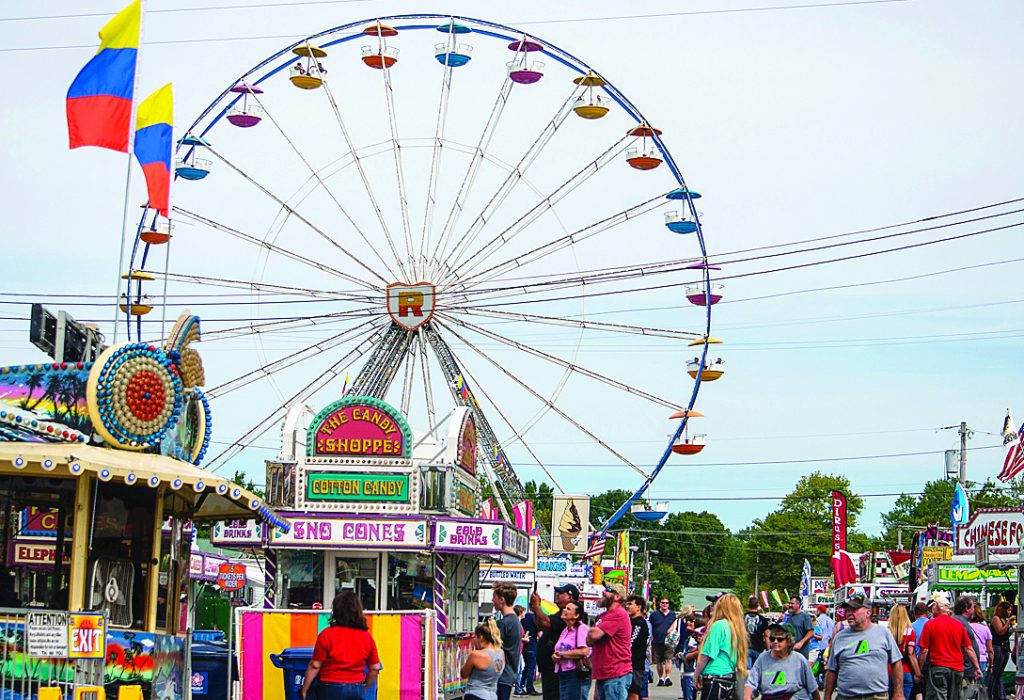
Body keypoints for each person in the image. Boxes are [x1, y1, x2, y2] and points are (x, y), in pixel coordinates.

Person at [301, 590, 381, 700]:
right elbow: (375, 668)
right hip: (355, 688)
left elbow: (315, 665)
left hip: (330, 688)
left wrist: (304, 690)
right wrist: (364, 687)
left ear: (336, 611)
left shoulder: (326, 634)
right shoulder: (366, 637)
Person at [823, 592, 904, 700]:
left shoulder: (883, 633)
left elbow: (896, 663)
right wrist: (827, 696)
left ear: (868, 612)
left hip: (877, 696)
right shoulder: (839, 638)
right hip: (847, 697)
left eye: (854, 609)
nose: (849, 613)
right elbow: (831, 670)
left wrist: (898, 693)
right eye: (847, 610)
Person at [918, 592, 981, 700]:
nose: (931, 610)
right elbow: (968, 648)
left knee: (938, 696)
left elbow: (924, 651)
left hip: (938, 667)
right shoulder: (958, 625)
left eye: (933, 607)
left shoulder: (930, 624)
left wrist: (919, 670)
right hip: (957, 669)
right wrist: (977, 667)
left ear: (937, 608)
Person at [744, 622, 821, 700]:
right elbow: (751, 683)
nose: (775, 642)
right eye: (772, 639)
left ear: (789, 641)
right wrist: (747, 697)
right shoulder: (762, 658)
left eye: (780, 639)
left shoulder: (799, 659)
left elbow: (813, 688)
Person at [534, 584, 586, 700]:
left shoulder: (573, 623)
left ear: (570, 598)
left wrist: (537, 605)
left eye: (562, 593)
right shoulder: (563, 621)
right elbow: (540, 624)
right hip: (552, 667)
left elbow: (545, 622)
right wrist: (535, 607)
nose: (557, 594)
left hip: (563, 670)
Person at [694, 593, 748, 700]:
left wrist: (696, 675)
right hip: (729, 678)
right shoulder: (737, 628)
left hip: (714, 677)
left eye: (715, 603)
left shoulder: (718, 625)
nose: (712, 605)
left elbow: (707, 654)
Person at [587, 582, 633, 700]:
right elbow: (589, 640)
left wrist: (593, 633)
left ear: (617, 597)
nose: (603, 592)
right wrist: (593, 633)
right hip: (603, 673)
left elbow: (593, 634)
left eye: (608, 590)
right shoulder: (602, 616)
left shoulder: (618, 614)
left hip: (616, 674)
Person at [552, 600, 591, 700]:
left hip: (575, 673)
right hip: (562, 672)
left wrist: (562, 654)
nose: (564, 610)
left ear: (576, 615)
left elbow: (584, 651)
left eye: (568, 609)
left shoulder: (581, 628)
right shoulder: (565, 630)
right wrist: (555, 656)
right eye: (565, 608)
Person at [464, 619, 508, 700]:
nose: (473, 640)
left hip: (475, 694)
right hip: (492, 695)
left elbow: (463, 674)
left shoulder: (476, 654)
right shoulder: (501, 653)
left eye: (475, 637)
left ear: (480, 637)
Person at [494, 583, 524, 700]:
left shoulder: (503, 624)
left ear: (502, 599)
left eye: (494, 597)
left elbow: (495, 650)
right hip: (509, 674)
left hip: (501, 675)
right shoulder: (515, 621)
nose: (493, 601)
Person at [888, 604, 922, 700]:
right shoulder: (910, 632)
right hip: (905, 670)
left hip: (888, 671)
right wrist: (918, 673)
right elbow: (911, 654)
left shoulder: (886, 631)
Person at [625, 595, 650, 700]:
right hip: (626, 665)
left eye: (630, 604)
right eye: (626, 604)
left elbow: (631, 643)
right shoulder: (629, 621)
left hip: (635, 665)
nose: (627, 606)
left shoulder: (640, 623)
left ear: (639, 607)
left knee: (633, 694)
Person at [988, 601, 1013, 700]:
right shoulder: (996, 619)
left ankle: (1000, 695)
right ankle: (990, 693)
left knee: (1000, 673)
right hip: (997, 647)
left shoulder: (1003, 619)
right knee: (995, 672)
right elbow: (1000, 631)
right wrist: (1008, 622)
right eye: (1008, 610)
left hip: (1004, 647)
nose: (1010, 612)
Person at [651, 597, 677, 687]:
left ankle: (668, 677)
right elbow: (650, 627)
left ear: (668, 604)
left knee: (668, 659)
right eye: (663, 603)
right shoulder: (654, 615)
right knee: (659, 661)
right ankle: (661, 678)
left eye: (666, 603)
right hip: (657, 641)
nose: (665, 604)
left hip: (669, 641)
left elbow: (675, 626)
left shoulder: (673, 614)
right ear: (660, 604)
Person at [745, 596, 772, 671]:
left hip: (745, 648)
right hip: (758, 648)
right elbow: (767, 636)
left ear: (748, 605)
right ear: (758, 605)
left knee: (748, 672)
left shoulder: (742, 617)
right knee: (757, 671)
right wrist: (768, 650)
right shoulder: (763, 620)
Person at [518, 604, 539, 696]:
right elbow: (540, 633)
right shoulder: (535, 619)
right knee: (531, 668)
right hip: (532, 645)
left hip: (524, 646)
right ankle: (530, 687)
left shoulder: (523, 618)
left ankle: (521, 685)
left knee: (526, 667)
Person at [969, 607, 993, 682]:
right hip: (982, 659)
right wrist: (990, 665)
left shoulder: (965, 627)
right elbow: (990, 650)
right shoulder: (985, 629)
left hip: (968, 659)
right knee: (979, 685)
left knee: (967, 684)